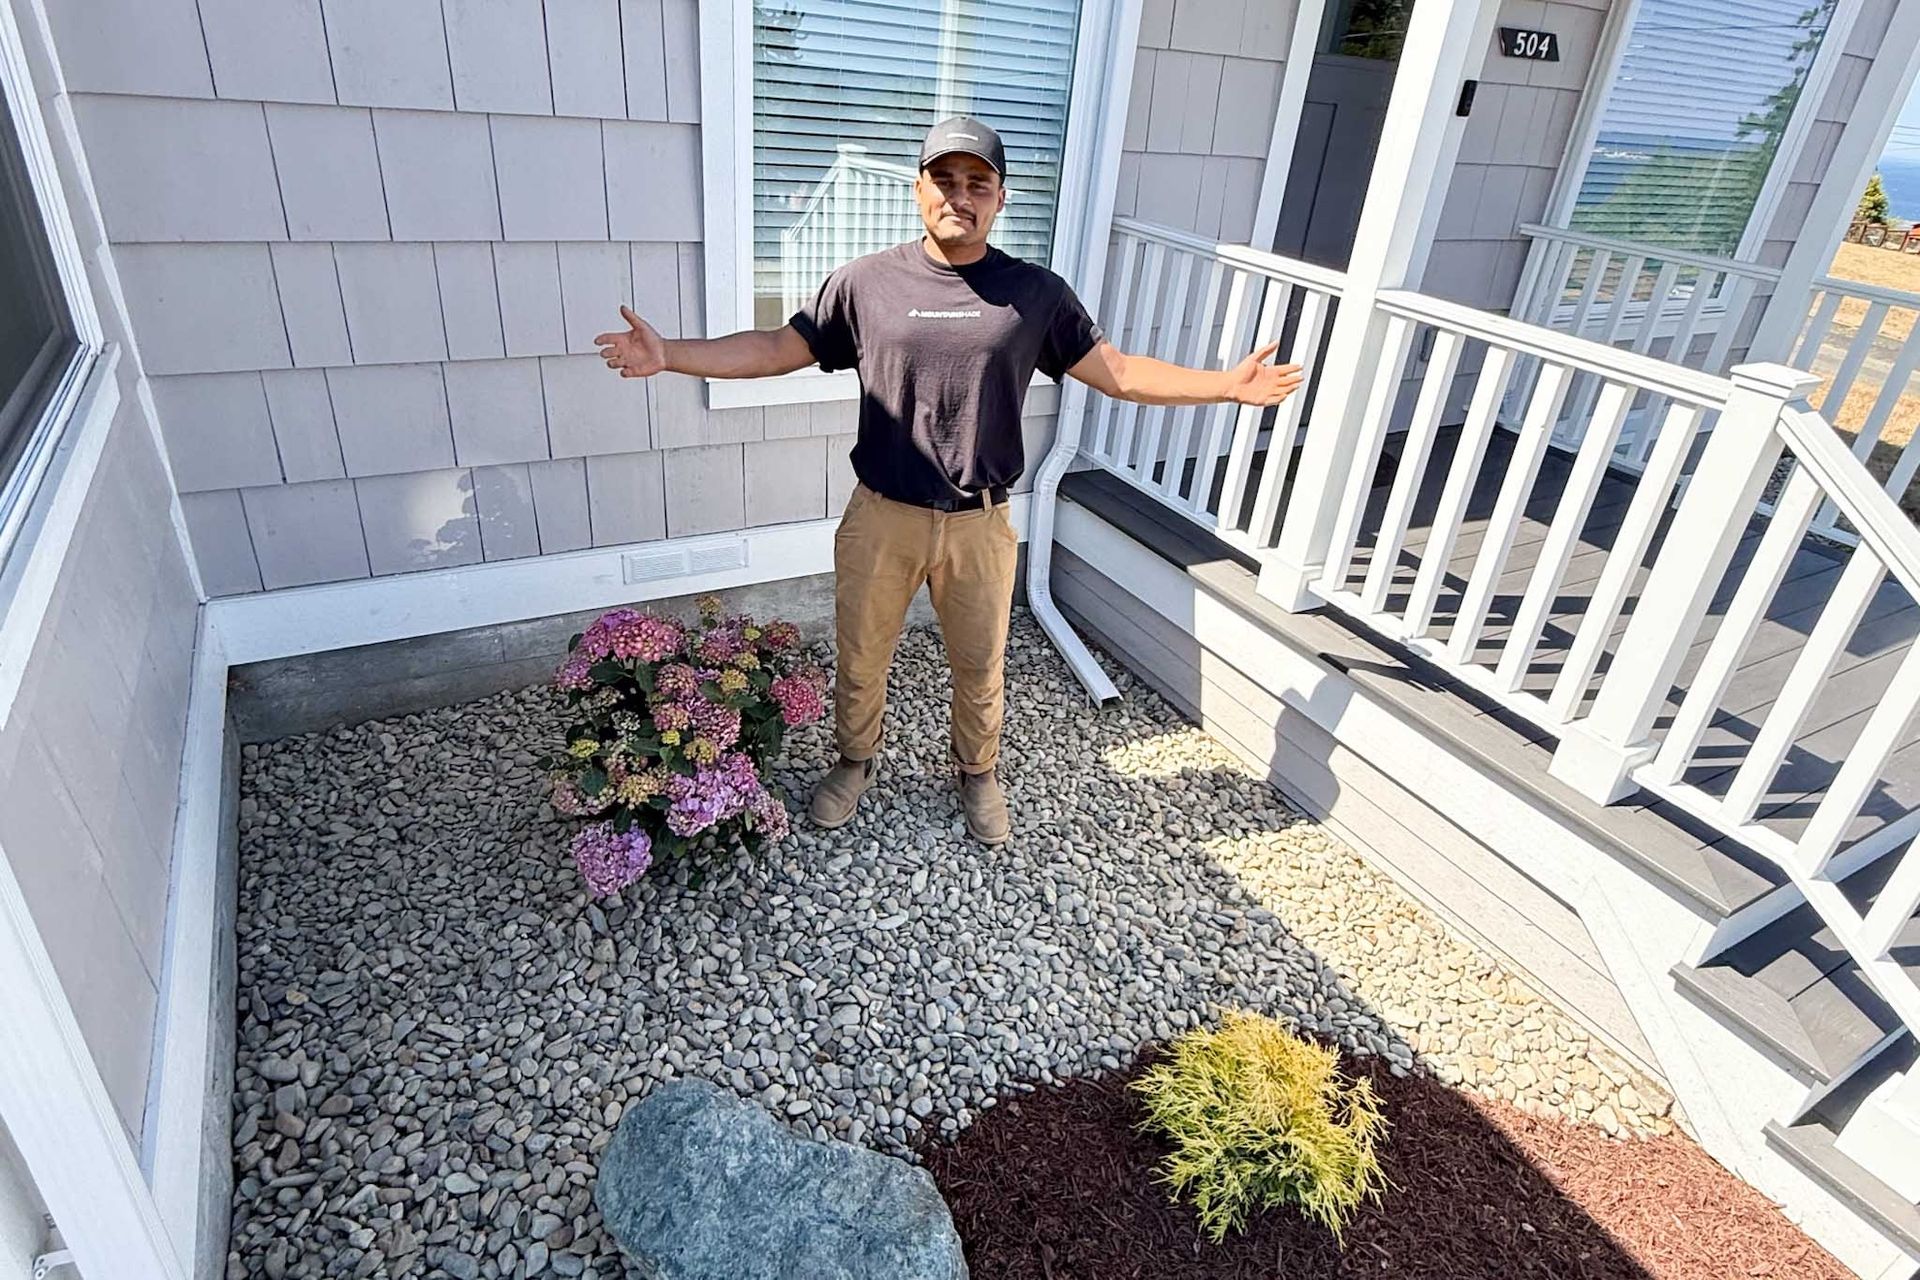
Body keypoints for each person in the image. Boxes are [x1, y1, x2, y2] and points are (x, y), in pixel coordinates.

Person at [595, 115, 1303, 846]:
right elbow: (780, 348)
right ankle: (855, 761)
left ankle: (978, 771)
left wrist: (1226, 384)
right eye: (944, 179)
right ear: (918, 189)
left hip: (979, 522)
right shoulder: (865, 283)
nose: (958, 196)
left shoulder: (1035, 294)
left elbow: (1117, 371)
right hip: (882, 517)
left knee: (979, 664)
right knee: (862, 655)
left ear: (999, 200)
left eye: (977, 184)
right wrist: (671, 354)